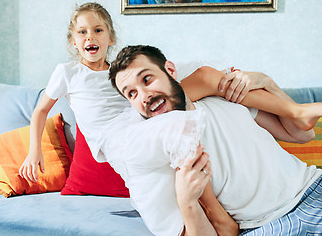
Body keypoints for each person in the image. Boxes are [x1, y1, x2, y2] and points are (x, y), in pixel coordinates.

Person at [18, 2, 261, 235]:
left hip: (135, 120)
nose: (90, 37)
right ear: (74, 42)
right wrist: (33, 151)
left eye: (98, 30)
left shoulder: (119, 73)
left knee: (188, 81)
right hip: (111, 138)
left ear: (110, 39)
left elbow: (142, 95)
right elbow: (40, 111)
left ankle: (244, 85)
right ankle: (213, 211)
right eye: (82, 32)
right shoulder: (68, 72)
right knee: (174, 131)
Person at [108, 45, 322, 236]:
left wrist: (268, 83)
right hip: (266, 226)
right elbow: (222, 228)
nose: (144, 95)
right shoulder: (159, 153)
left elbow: (303, 134)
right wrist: (188, 201)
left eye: (147, 79)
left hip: (312, 187)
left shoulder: (220, 96)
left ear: (171, 71)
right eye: (132, 94)